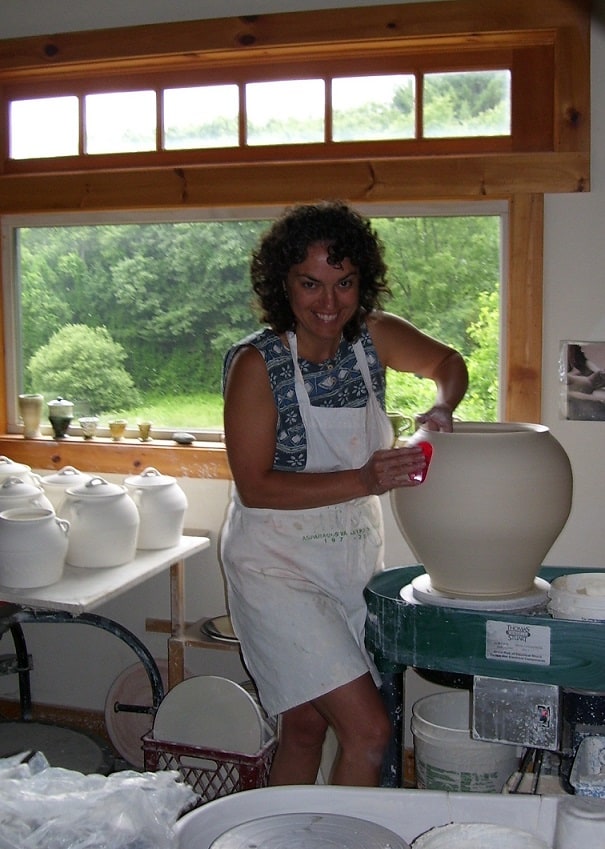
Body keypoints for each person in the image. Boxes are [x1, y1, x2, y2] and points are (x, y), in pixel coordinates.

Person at [220, 200, 468, 787]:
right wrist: (364, 479)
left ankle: (286, 832)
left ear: (363, 283)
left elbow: (448, 363)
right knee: (370, 732)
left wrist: (440, 408)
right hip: (275, 569)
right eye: (311, 284)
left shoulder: (373, 339)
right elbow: (256, 487)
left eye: (344, 283)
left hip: (347, 562)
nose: (328, 303)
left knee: (306, 725)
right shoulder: (259, 365)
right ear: (283, 283)